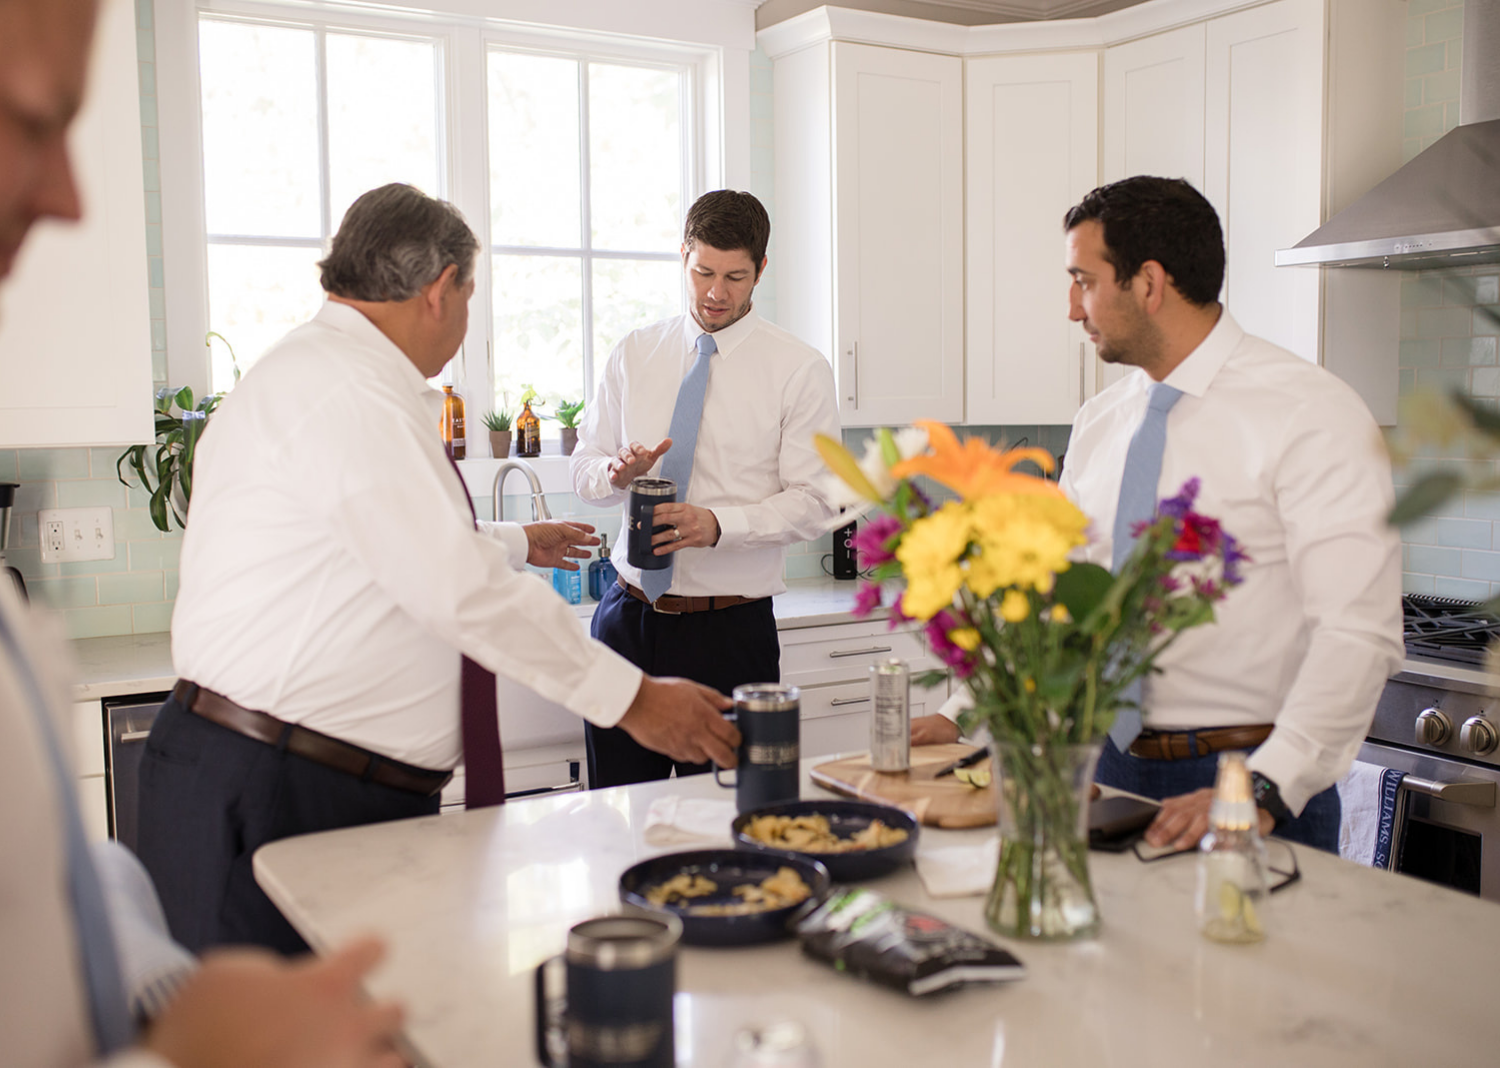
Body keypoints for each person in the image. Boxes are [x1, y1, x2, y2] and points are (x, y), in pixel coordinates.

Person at [137, 182, 740, 956]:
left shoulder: (323, 373)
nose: (464, 320)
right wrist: (636, 700)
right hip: (276, 790)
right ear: (438, 290)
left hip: (290, 777)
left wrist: (519, 542)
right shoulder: (348, 393)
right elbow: (454, 585)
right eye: (469, 297)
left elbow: (379, 547)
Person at [1, 1, 406, 1065]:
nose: (71, 194)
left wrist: (164, 998)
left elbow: (65, 892)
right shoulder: (336, 393)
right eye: (28, 120)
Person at [913, 176, 1402, 854]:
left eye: (1083, 281)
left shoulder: (1311, 414)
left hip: (1246, 779)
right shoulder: (1100, 422)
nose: (1070, 307)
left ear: (1148, 283)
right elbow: (1062, 591)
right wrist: (961, 713)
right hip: (1104, 770)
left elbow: (1358, 633)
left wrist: (1261, 789)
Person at [571, 190, 842, 787]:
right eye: (703, 273)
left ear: (760, 271)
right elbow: (585, 466)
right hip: (626, 621)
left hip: (729, 637)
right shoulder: (635, 352)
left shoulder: (799, 369)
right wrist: (613, 475)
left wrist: (718, 526)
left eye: (735, 277)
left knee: (728, 822)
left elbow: (822, 499)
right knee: (617, 818)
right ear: (684, 257)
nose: (716, 293)